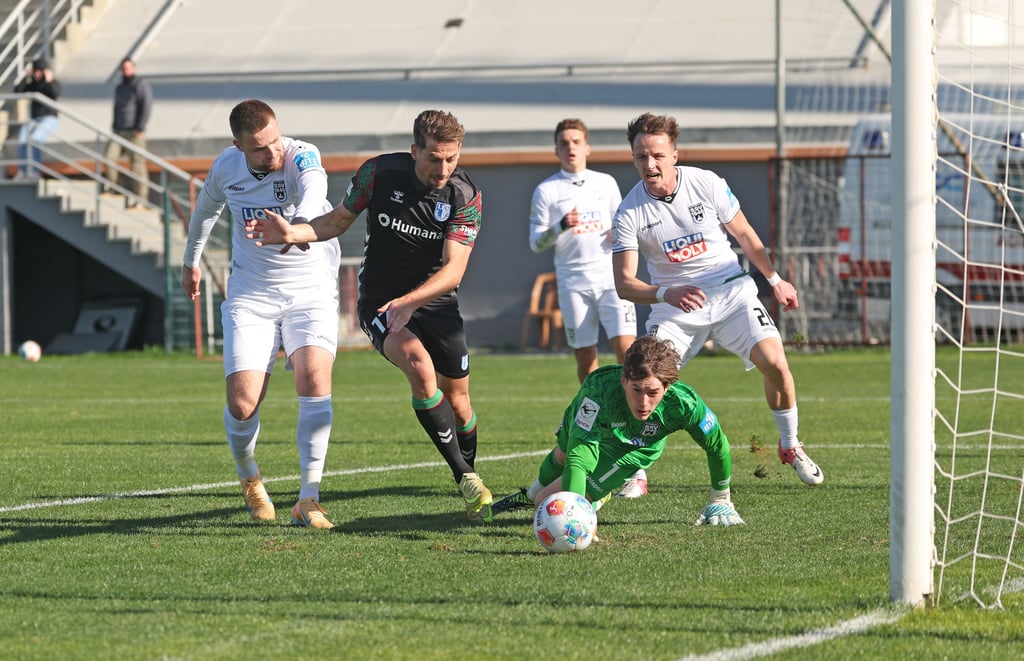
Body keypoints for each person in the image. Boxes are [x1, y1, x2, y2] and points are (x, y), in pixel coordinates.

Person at [248, 109, 495, 523]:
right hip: (380, 301)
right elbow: (337, 220)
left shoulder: (465, 196)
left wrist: (412, 301)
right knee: (419, 367)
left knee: (460, 403)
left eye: (452, 159)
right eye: (434, 157)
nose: (443, 168)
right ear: (415, 150)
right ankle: (467, 477)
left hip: (435, 302)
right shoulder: (378, 174)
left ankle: (468, 478)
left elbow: (454, 270)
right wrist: (295, 231)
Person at [611, 112, 824, 486]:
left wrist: (775, 280)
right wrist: (666, 292)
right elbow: (624, 284)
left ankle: (790, 446)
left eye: (658, 155)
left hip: (730, 293)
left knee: (775, 362)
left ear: (674, 154)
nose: (650, 164)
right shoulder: (630, 211)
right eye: (641, 157)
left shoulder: (706, 183)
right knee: (644, 380)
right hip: (674, 309)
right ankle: (634, 466)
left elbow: (745, 235)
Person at [180, 99, 341, 529]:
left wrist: (297, 225)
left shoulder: (300, 154)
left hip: (310, 291)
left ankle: (309, 498)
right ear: (238, 145)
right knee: (243, 402)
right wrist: (191, 262)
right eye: (259, 149)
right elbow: (205, 212)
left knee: (314, 378)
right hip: (252, 295)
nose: (272, 154)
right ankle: (250, 477)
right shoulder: (226, 168)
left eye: (274, 142)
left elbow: (316, 189)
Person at [492, 335, 743, 527]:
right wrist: (576, 513)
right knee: (562, 455)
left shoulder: (684, 404)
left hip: (634, 447)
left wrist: (720, 497)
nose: (643, 403)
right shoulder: (598, 394)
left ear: (667, 387)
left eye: (653, 393)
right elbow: (578, 460)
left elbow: (717, 446)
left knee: (543, 504)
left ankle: (596, 495)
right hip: (586, 427)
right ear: (623, 381)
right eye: (636, 390)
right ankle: (531, 491)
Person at [528, 118, 648, 498]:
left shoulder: (606, 183)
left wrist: (620, 232)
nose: (571, 147)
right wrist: (561, 226)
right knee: (586, 363)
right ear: (557, 150)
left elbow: (624, 222)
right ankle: (599, 422)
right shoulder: (547, 190)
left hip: (611, 281)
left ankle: (636, 463)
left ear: (587, 147)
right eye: (564, 142)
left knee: (630, 358)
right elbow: (536, 243)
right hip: (573, 283)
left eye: (577, 141)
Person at [104, 57, 154, 205]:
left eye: (128, 68)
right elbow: (116, 107)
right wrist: (114, 126)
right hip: (119, 131)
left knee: (137, 165)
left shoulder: (140, 84)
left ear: (133, 68)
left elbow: (146, 105)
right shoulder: (120, 87)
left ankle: (141, 199)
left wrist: (140, 127)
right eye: (123, 68)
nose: (126, 71)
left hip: (134, 132)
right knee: (108, 157)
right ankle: (113, 187)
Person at [12, 58, 61, 180]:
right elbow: (17, 91)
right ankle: (23, 171)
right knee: (23, 139)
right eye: (36, 71)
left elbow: (55, 93)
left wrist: (49, 80)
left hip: (49, 118)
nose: (38, 74)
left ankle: (34, 172)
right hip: (34, 119)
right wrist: (25, 77)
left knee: (35, 140)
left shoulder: (53, 83)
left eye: (40, 71)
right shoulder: (33, 84)